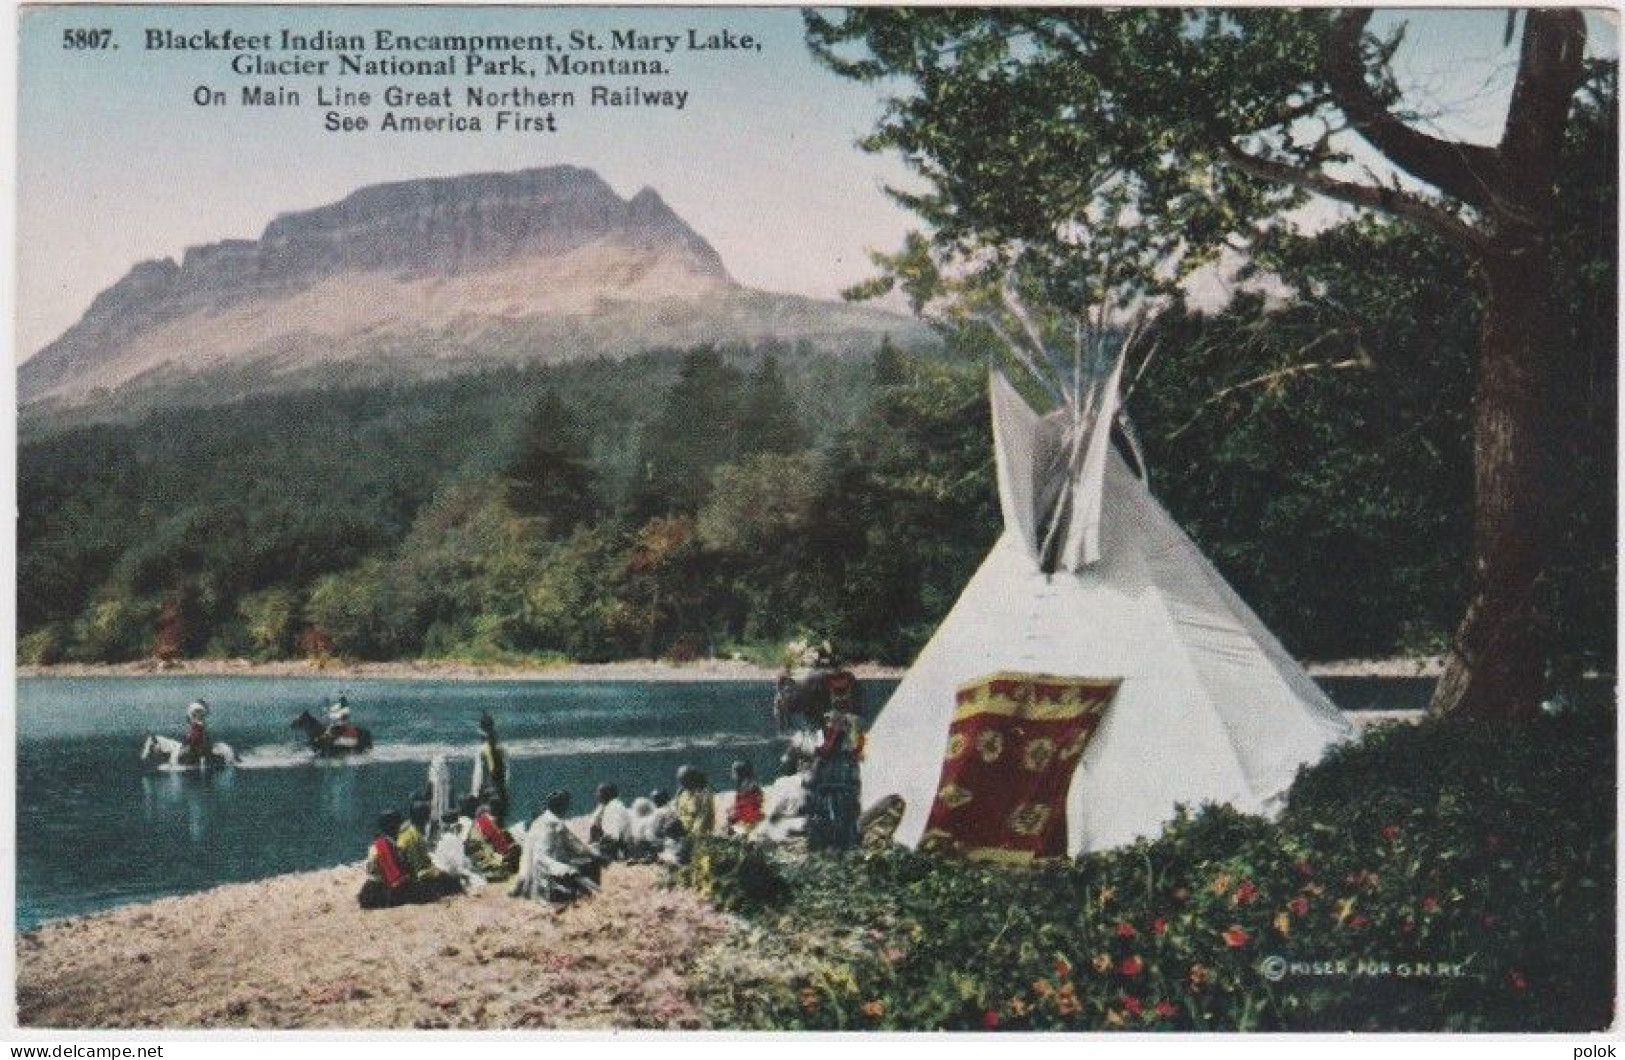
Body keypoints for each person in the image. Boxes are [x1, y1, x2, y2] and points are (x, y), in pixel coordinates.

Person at [513, 791, 602, 906]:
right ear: (561, 806)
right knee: (590, 863)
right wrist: (596, 853)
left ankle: (590, 893)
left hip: (533, 880)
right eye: (566, 805)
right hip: (549, 875)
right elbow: (578, 848)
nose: (568, 808)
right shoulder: (557, 824)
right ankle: (592, 895)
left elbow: (527, 856)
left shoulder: (537, 823)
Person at [397, 801, 461, 900]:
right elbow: (419, 867)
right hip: (416, 878)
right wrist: (438, 872)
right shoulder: (414, 837)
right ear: (425, 818)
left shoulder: (409, 831)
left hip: (409, 875)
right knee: (452, 881)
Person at [358, 812, 410, 909]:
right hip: (382, 892)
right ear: (394, 827)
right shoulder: (388, 846)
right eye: (399, 825)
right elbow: (394, 876)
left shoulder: (376, 844)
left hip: (368, 890)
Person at [462, 795, 520, 880]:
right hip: (487, 860)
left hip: (476, 861)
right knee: (515, 849)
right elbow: (499, 844)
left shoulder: (474, 822)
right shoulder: (486, 821)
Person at [476, 713, 511, 823]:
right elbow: (506, 771)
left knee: (487, 820)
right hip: (500, 788)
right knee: (500, 820)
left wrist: (477, 792)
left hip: (489, 787)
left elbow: (481, 773)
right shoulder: (501, 747)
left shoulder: (483, 749)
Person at [588, 783, 632, 860]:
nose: (596, 795)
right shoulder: (603, 807)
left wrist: (595, 846)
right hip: (609, 845)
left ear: (607, 794)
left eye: (599, 792)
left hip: (618, 849)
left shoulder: (614, 807)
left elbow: (612, 837)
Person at [727, 760, 765, 836]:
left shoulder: (747, 788)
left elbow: (747, 807)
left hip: (749, 819)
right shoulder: (749, 785)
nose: (732, 774)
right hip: (751, 817)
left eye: (733, 772)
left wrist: (734, 814)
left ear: (740, 773)